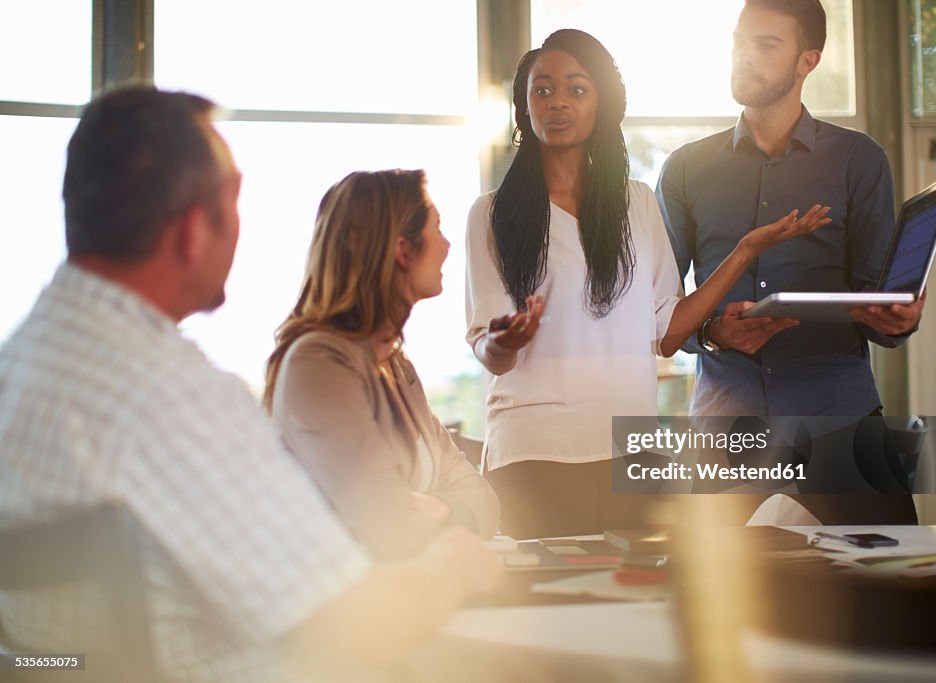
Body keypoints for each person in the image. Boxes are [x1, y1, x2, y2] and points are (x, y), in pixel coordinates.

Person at [0, 86, 500, 683]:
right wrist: (454, 566)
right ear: (192, 228)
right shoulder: (175, 397)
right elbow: (354, 622)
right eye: (234, 201)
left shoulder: (22, 364)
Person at [465, 28, 830, 538]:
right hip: (532, 450)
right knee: (552, 610)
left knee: (630, 605)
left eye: (576, 88)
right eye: (541, 90)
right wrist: (504, 341)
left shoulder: (635, 202)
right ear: (524, 109)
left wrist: (745, 250)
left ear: (602, 105)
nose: (557, 103)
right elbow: (488, 348)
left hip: (628, 450)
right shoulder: (491, 214)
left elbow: (669, 333)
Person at [656, 0, 924, 523]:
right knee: (714, 599)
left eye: (766, 44)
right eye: (738, 42)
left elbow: (878, 293)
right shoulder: (685, 169)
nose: (744, 56)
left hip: (839, 420)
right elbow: (662, 312)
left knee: (895, 587)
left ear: (808, 60)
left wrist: (897, 317)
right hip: (725, 429)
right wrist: (712, 332)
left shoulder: (858, 159)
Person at [264, 169, 499, 561]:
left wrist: (433, 508)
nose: (446, 245)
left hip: (409, 592)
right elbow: (389, 524)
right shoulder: (318, 365)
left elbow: (485, 500)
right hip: (348, 611)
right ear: (403, 251)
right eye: (437, 229)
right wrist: (441, 510)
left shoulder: (396, 366)